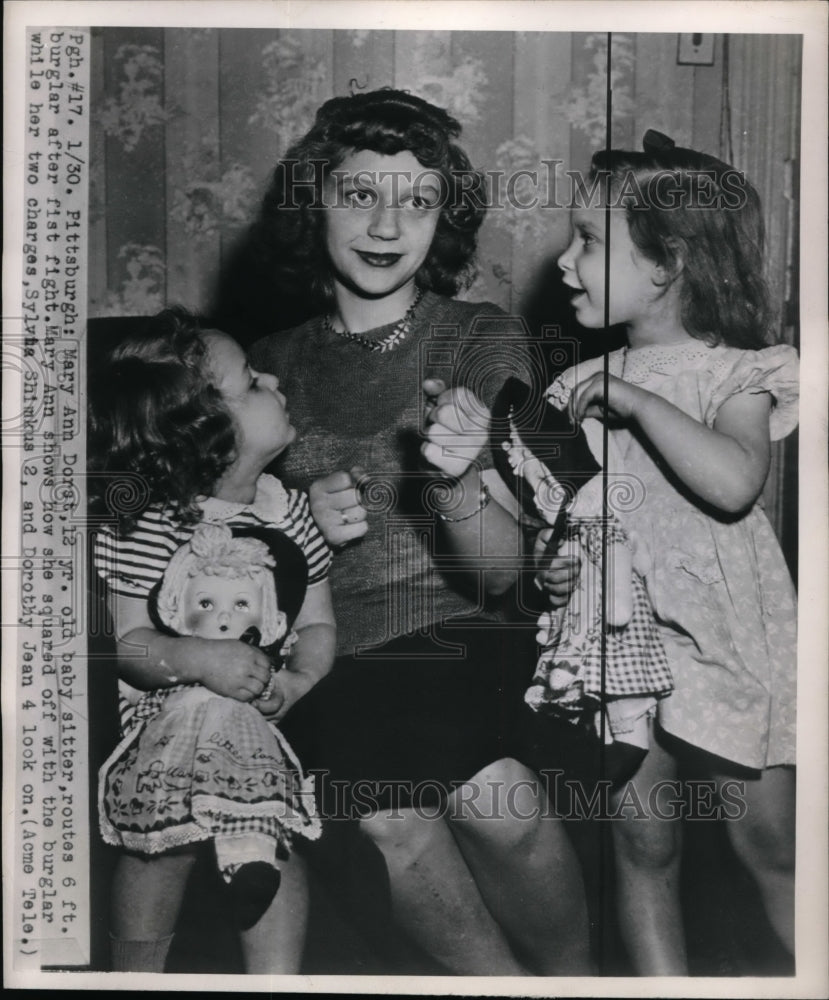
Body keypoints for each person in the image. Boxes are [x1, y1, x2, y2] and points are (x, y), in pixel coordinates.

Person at [426, 130, 798, 975]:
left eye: (589, 241)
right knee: (641, 846)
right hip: (620, 644)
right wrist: (546, 555)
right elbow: (561, 518)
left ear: (667, 262)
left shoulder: (736, 375)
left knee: (768, 847)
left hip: (724, 646)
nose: (564, 261)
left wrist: (632, 400)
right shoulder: (570, 389)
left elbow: (734, 482)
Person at [248, 88, 591, 976]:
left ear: (443, 220)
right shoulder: (262, 366)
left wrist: (458, 478)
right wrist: (292, 531)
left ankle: (584, 986)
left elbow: (498, 577)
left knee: (493, 791)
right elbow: (211, 552)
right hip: (325, 652)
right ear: (314, 200)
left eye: (418, 199)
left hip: (459, 628)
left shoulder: (477, 337)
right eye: (360, 193)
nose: (388, 223)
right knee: (385, 813)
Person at [90, 308, 336, 973]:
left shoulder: (288, 512)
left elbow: (316, 623)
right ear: (204, 433)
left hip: (266, 714)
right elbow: (133, 646)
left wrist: (298, 680)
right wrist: (198, 660)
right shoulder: (148, 525)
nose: (275, 379)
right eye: (253, 382)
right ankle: (134, 974)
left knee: (273, 836)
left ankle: (274, 979)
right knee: (156, 845)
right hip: (164, 722)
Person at [490, 376, 673, 783]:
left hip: (610, 618)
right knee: (583, 681)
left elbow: (620, 587)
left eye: (548, 482)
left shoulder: (604, 526)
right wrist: (550, 582)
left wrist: (612, 604)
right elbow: (550, 578)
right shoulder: (566, 529)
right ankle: (595, 725)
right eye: (536, 486)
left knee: (620, 679)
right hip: (579, 617)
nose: (542, 494)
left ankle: (629, 729)